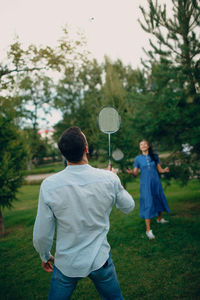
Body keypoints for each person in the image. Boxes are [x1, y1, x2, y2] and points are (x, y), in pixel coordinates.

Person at [33, 126, 135, 300]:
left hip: (66, 263)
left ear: (64, 154)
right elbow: (128, 206)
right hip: (100, 260)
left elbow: (42, 233)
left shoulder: (49, 185)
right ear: (86, 149)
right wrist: (115, 181)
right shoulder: (109, 178)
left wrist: (44, 255)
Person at [127, 140, 170, 240]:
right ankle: (148, 230)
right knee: (148, 203)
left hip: (156, 182)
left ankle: (159, 219)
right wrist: (131, 172)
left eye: (144, 144)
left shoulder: (154, 156)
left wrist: (165, 170)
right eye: (141, 144)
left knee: (158, 198)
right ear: (139, 147)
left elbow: (160, 170)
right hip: (145, 184)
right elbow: (135, 173)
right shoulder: (138, 159)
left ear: (148, 146)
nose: (143, 146)